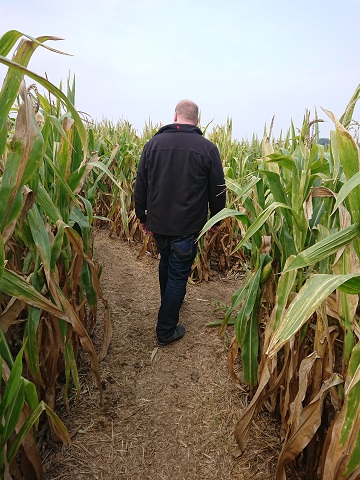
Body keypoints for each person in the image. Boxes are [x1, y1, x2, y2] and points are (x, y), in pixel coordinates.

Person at [134, 99, 226, 347]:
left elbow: (140, 184)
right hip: (187, 227)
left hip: (159, 225)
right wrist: (216, 219)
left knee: (166, 264)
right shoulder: (207, 148)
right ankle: (166, 329)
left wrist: (142, 217)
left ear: (175, 116)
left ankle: (169, 305)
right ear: (197, 119)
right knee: (177, 276)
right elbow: (218, 189)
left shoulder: (153, 144)